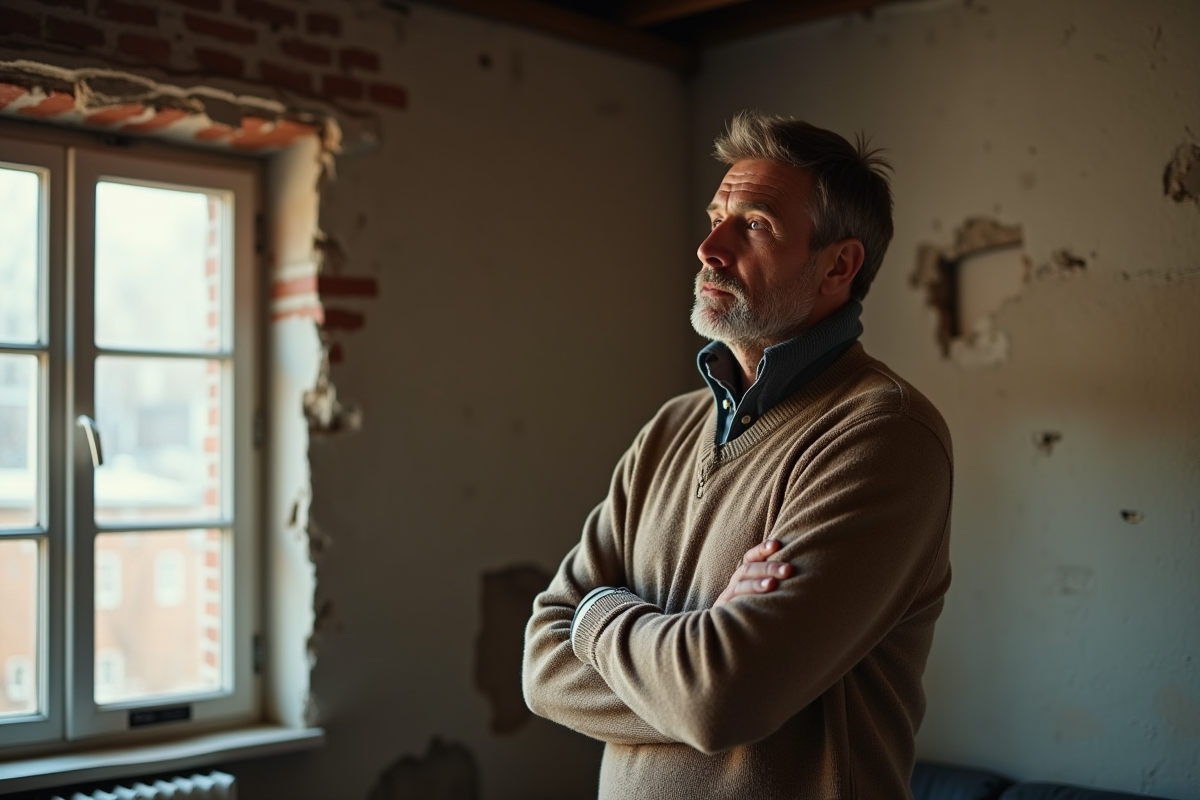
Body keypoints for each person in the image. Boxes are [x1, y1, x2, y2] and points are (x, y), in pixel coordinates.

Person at [522, 111, 953, 800]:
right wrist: (693, 650)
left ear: (838, 265)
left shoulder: (884, 433)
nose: (708, 249)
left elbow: (717, 702)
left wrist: (594, 613)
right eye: (715, 218)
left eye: (754, 225)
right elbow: (542, 668)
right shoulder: (669, 428)